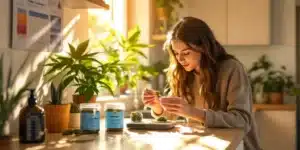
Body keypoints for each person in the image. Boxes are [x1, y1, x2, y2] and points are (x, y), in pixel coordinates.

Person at [143, 17, 261, 150]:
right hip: (203, 145)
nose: (180, 59)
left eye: (186, 53)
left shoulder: (231, 69)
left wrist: (192, 112)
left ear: (203, 48)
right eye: (176, 54)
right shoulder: (183, 73)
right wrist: (157, 106)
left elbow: (242, 120)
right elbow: (170, 115)